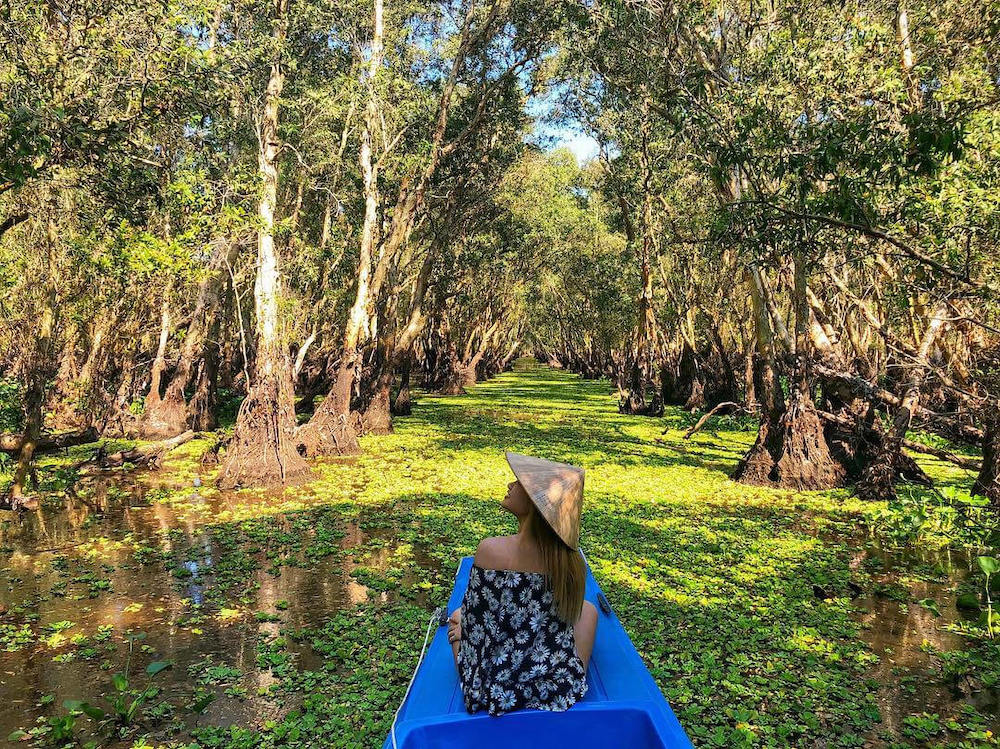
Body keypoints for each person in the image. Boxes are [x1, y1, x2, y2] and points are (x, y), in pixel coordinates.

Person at [447, 451, 598, 716]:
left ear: (535, 501)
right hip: (554, 685)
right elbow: (563, 617)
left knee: (458, 619)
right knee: (588, 611)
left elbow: (478, 632)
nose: (510, 485)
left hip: (494, 689)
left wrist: (462, 626)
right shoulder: (571, 563)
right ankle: (572, 677)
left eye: (518, 482)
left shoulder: (491, 551)